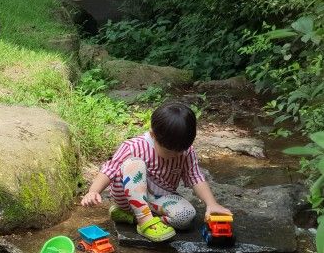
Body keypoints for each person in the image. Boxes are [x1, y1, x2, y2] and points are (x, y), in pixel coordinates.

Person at [80, 102, 232, 242]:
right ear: (153, 135)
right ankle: (145, 221)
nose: (176, 155)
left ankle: (131, 218)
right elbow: (110, 169)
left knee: (187, 217)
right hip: (128, 195)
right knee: (134, 164)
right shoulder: (134, 147)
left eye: (181, 150)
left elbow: (195, 177)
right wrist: (93, 191)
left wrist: (211, 203)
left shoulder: (186, 152)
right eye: (169, 151)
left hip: (159, 198)